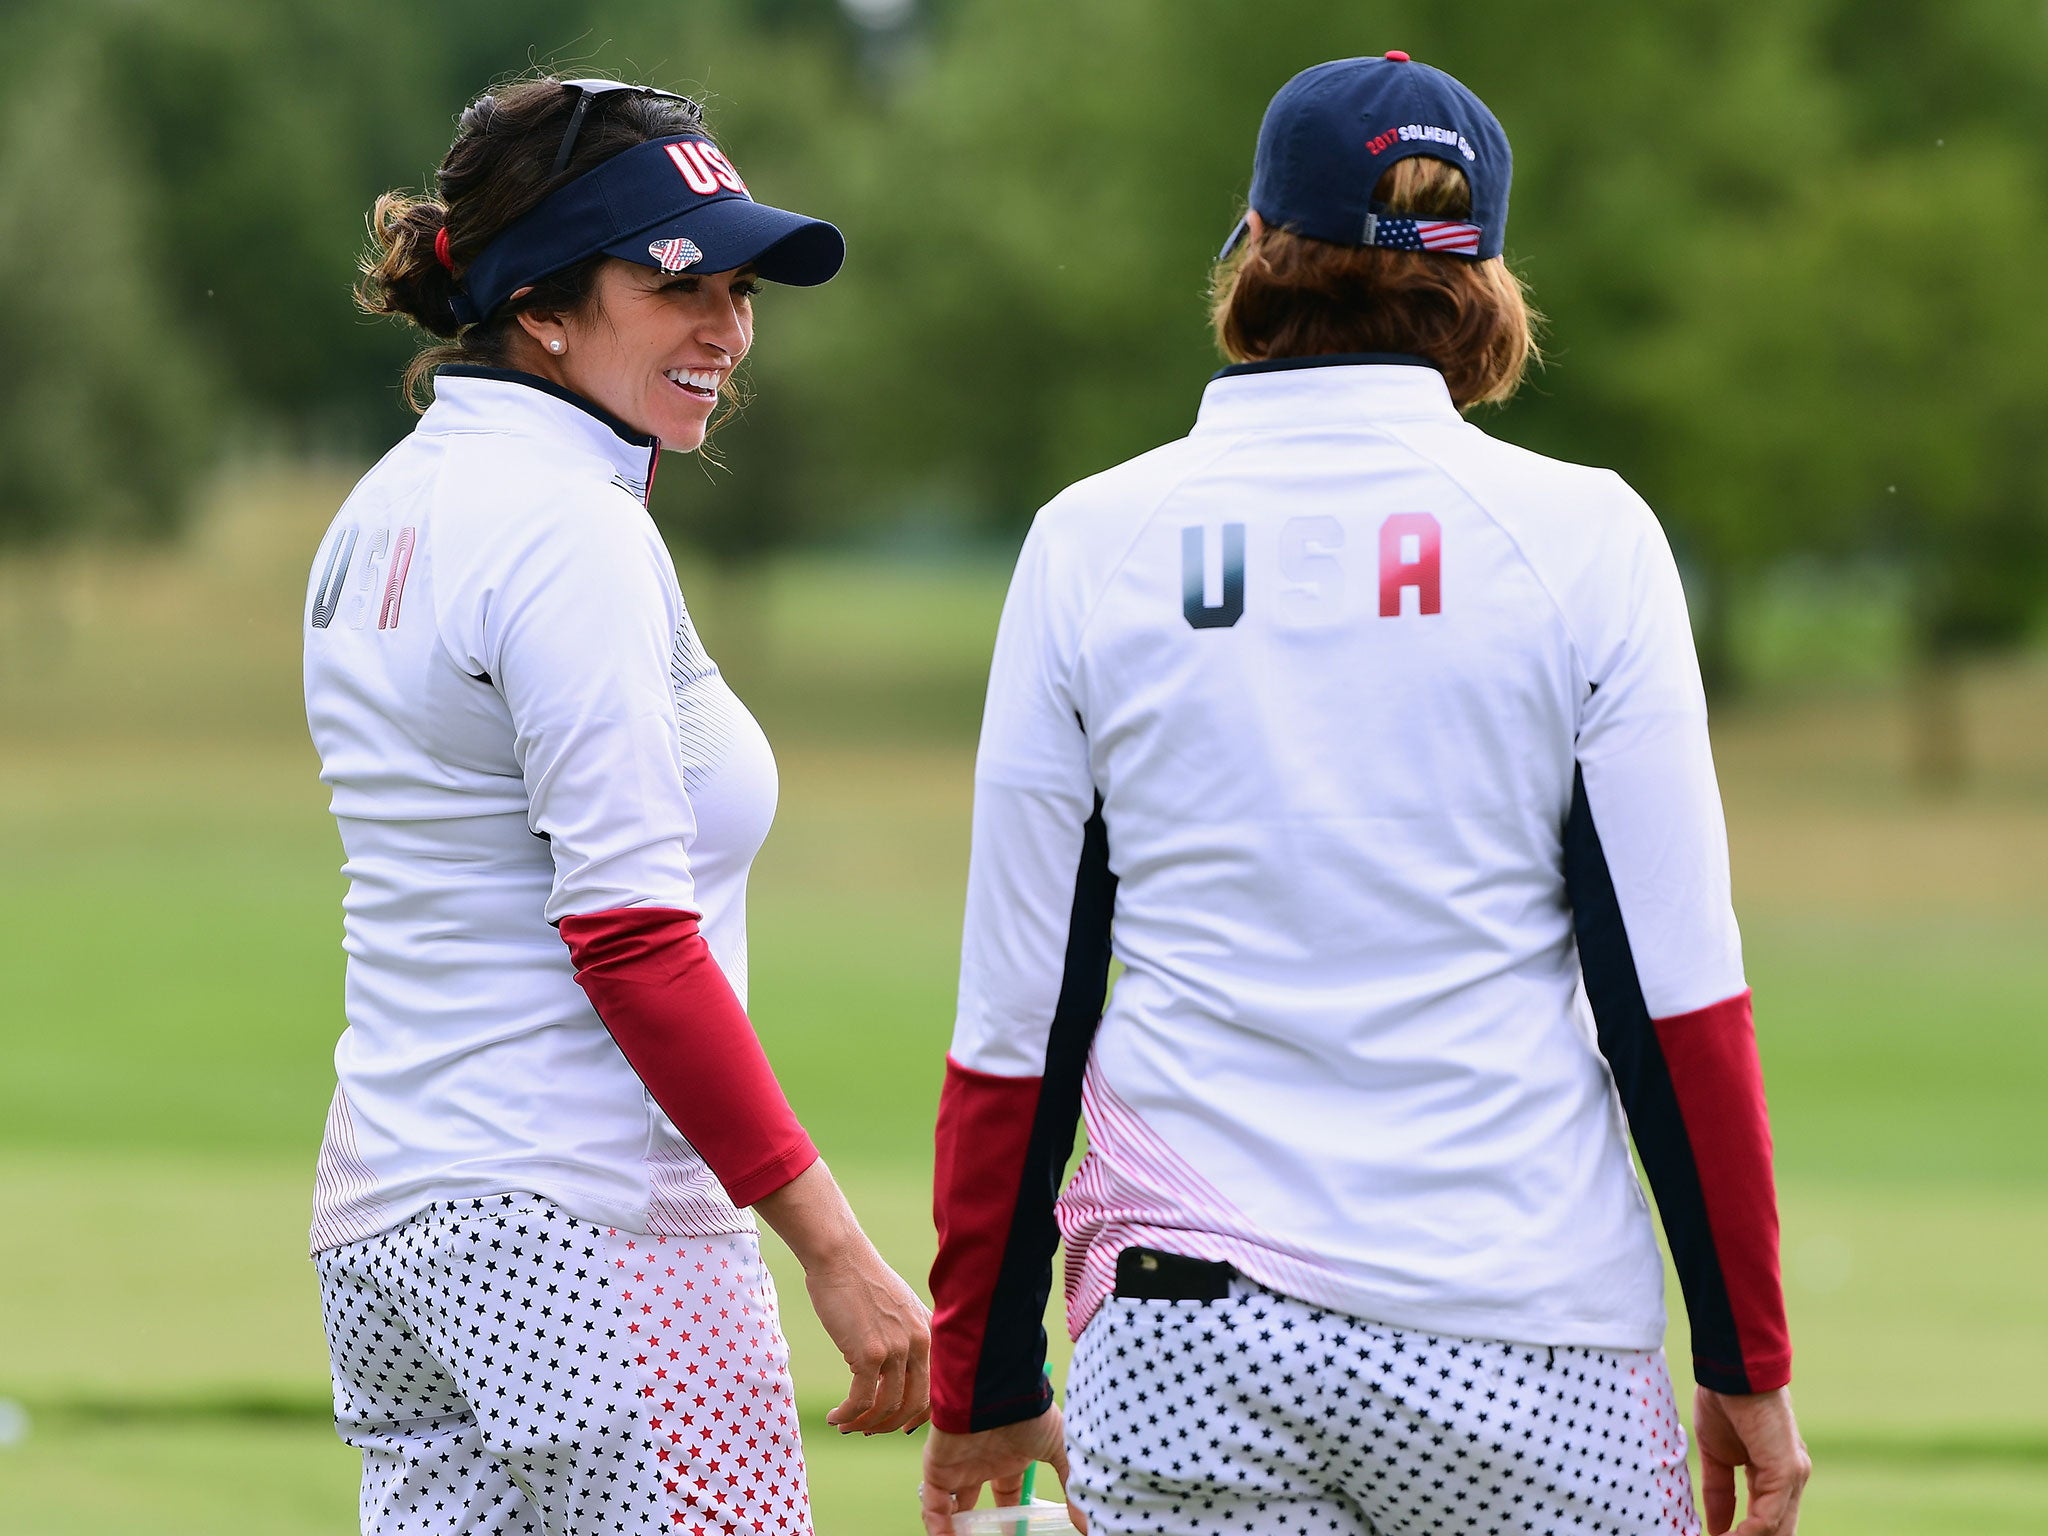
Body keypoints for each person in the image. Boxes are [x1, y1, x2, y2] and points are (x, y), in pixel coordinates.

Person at [921, 53, 1811, 1536]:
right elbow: (1678, 1001)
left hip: (1186, 1325)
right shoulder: (1586, 536)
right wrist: (1746, 1354)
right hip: (1520, 1327)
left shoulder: (1089, 542)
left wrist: (986, 1370)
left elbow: (1019, 1020)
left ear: (1256, 249)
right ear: (1488, 285)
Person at [304, 76, 929, 1536]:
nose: (727, 326)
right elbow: (634, 937)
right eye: (678, 284)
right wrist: (832, 1247)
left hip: (393, 1220)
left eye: (740, 287)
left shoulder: (383, 505)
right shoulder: (568, 530)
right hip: (589, 1224)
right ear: (544, 305)